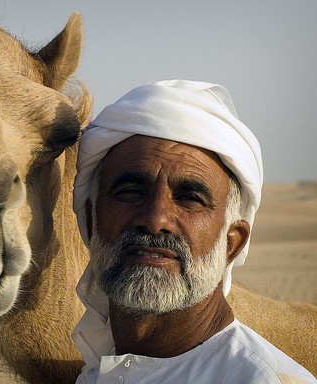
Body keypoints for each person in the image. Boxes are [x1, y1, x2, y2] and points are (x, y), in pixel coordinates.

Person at [72, 80, 316, 384]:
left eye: (190, 198)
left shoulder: (259, 378)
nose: (156, 219)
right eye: (131, 191)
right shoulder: (95, 377)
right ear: (91, 221)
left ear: (232, 243)